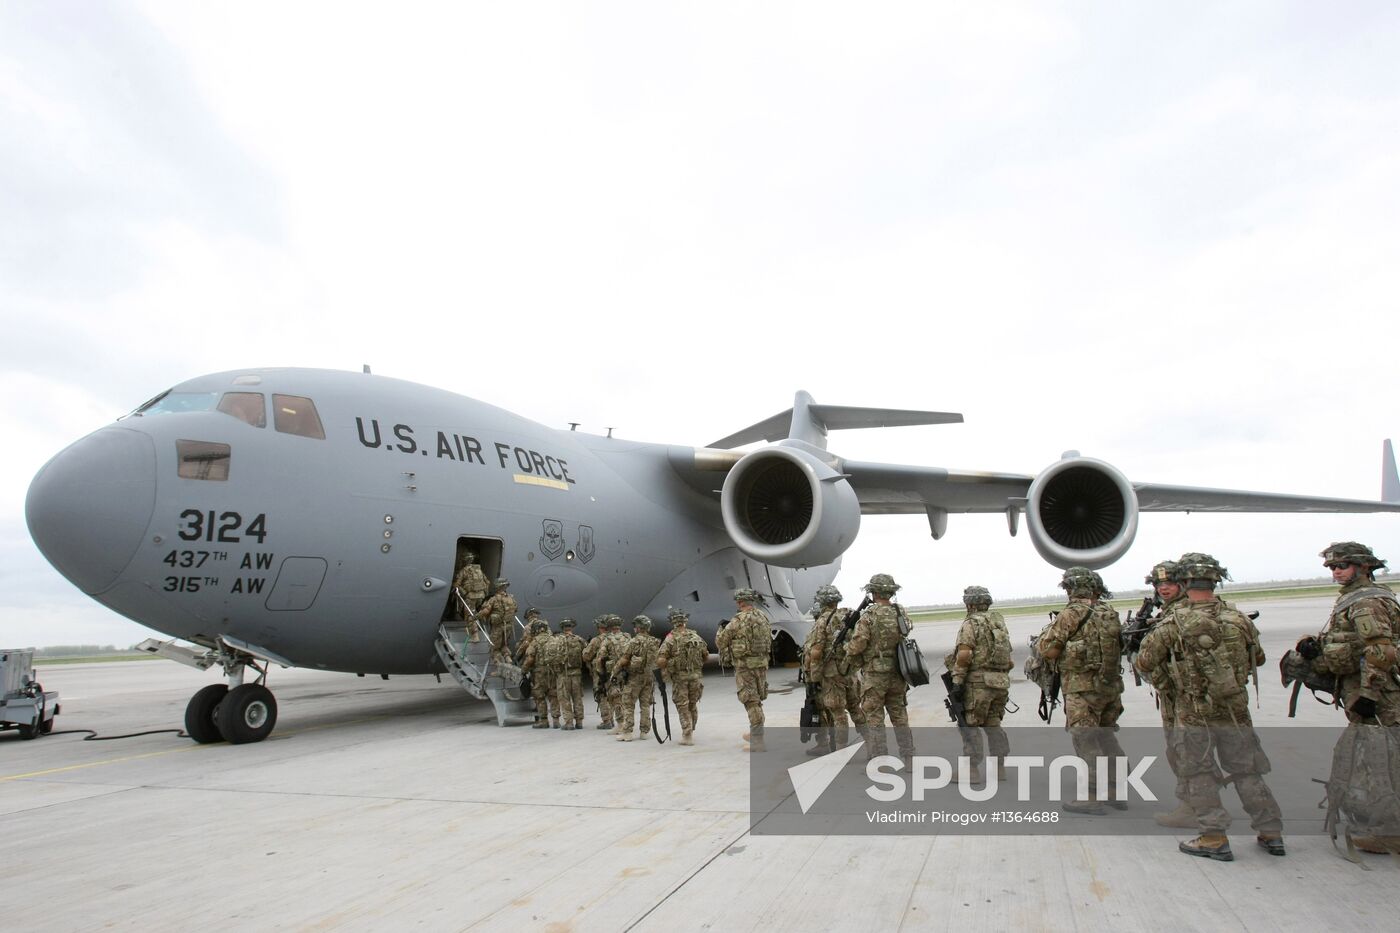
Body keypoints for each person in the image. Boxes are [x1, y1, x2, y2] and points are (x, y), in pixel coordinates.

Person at [1136, 553, 1284, 861]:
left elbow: (1144, 661)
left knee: (1198, 773)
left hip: (1193, 711)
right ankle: (1271, 831)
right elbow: (1257, 659)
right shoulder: (1238, 618)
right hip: (1234, 708)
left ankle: (1214, 837)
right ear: (1216, 580)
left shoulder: (1172, 623)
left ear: (1184, 582)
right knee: (1247, 769)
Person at [1302, 542, 1400, 853]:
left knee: (1381, 762)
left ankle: (1389, 834)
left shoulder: (1366, 603)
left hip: (1378, 696)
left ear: (1363, 567)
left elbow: (1380, 651)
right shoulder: (1354, 600)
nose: (1336, 571)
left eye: (1342, 565)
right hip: (1370, 691)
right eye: (1332, 567)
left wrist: (1369, 694)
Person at [1036, 567, 1127, 814]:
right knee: (1106, 736)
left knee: (1085, 740)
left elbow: (1050, 650)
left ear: (1070, 588)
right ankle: (1116, 790)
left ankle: (1092, 795)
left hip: (1081, 688)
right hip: (1109, 687)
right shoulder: (1109, 612)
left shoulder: (1072, 613)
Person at [1135, 561, 1196, 828]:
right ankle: (1267, 826)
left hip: (1181, 696)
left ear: (1184, 584)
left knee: (1185, 752)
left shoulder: (1174, 617)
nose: (1164, 588)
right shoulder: (1204, 610)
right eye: (1159, 584)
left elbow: (1145, 661)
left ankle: (1192, 809)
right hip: (1201, 694)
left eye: (1169, 583)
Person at [946, 585, 1013, 784]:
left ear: (970, 603)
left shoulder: (970, 623)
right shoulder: (998, 622)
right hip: (999, 682)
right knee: (994, 724)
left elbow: (964, 655)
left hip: (978, 684)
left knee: (970, 725)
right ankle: (1000, 768)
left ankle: (972, 770)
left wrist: (957, 680)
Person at [846, 573, 915, 766]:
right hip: (898, 672)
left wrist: (848, 650)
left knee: (874, 717)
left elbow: (858, 644)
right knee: (900, 716)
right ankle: (908, 757)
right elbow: (906, 631)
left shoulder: (868, 615)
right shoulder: (900, 612)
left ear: (874, 592)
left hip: (875, 675)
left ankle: (880, 761)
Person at [803, 585, 867, 755]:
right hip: (849, 672)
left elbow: (816, 652)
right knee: (856, 709)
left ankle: (841, 751)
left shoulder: (822, 621)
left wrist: (814, 679)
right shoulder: (849, 615)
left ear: (821, 601)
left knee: (838, 714)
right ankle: (873, 746)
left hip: (831, 675)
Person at [716, 588, 772, 752]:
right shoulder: (763, 617)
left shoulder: (738, 620)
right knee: (757, 700)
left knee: (751, 701)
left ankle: (757, 740)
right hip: (761, 664)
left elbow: (720, 642)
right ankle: (756, 732)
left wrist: (721, 628)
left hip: (745, 666)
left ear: (740, 602)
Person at [657, 607, 707, 745]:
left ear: (673, 622)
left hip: (680, 678)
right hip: (695, 676)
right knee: (693, 703)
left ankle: (687, 734)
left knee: (682, 705)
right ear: (685, 621)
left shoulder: (671, 638)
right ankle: (692, 728)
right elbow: (706, 655)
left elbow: (661, 660)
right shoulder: (695, 636)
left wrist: (667, 664)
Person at [614, 615, 660, 742]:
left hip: (634, 678)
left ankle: (627, 732)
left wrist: (615, 672)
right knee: (645, 705)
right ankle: (644, 731)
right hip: (648, 677)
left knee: (628, 705)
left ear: (638, 628)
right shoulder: (654, 641)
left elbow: (624, 659)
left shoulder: (634, 642)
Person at [520, 618, 559, 728]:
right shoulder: (553, 640)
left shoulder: (534, 642)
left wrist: (524, 670)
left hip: (539, 674)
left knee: (539, 697)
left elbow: (530, 659)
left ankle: (544, 720)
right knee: (554, 695)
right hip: (552, 672)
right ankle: (556, 720)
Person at [551, 618, 586, 730]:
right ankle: (579, 722)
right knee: (577, 698)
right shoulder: (580, 640)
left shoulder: (557, 640)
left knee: (565, 698)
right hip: (577, 674)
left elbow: (551, 657)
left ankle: (569, 723)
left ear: (562, 628)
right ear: (572, 627)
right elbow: (587, 654)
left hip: (563, 674)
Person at [583, 616, 615, 730]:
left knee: (602, 695)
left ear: (599, 627)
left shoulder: (597, 640)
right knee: (613, 695)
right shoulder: (615, 637)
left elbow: (586, 656)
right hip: (614, 672)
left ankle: (607, 720)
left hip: (600, 673)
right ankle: (613, 719)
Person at [477, 578, 517, 664]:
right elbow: (515, 609)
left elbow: (486, 611)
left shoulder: (494, 599)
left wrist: (475, 616)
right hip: (508, 627)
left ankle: (498, 667)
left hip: (498, 628)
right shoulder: (511, 598)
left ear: (497, 587)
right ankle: (507, 657)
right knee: (504, 645)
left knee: (494, 648)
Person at [601, 616, 630, 735]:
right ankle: (628, 723)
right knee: (626, 698)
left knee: (616, 698)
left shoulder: (607, 639)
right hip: (627, 672)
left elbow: (601, 656)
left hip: (614, 672)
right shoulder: (627, 637)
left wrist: (601, 673)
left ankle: (621, 724)